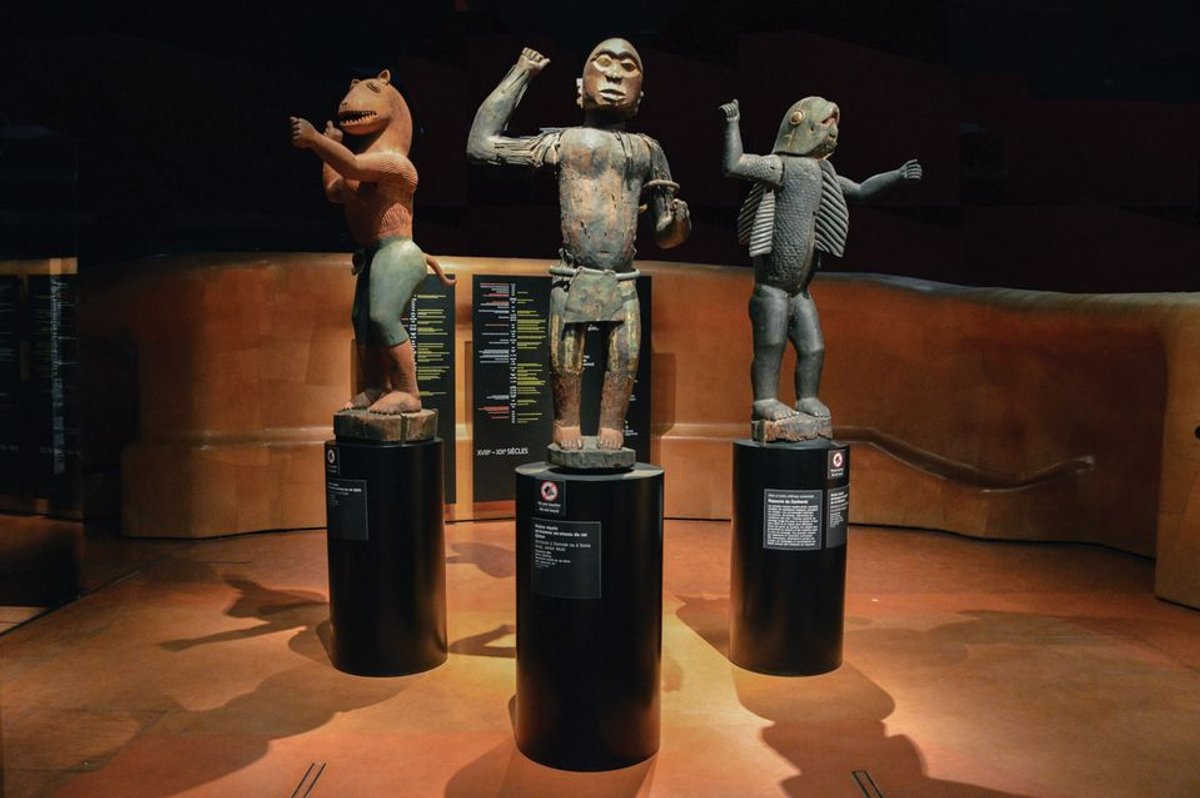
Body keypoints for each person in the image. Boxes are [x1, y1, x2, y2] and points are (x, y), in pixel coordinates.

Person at [468, 40, 691, 454]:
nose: (614, 75)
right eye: (602, 63)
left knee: (624, 360)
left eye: (628, 67)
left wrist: (677, 221)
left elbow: (664, 233)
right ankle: (566, 419)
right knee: (565, 359)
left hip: (623, 279)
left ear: (640, 97)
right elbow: (481, 145)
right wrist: (521, 73)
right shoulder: (565, 141)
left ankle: (612, 422)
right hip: (572, 276)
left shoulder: (648, 150)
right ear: (578, 87)